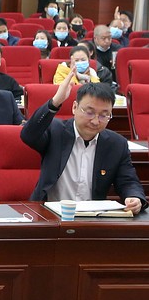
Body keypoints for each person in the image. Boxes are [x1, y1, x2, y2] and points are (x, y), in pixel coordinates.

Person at [21, 75, 145, 213]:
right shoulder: (55, 131)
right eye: (89, 113)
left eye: (104, 115)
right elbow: (28, 134)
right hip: (49, 214)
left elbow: (128, 181)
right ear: (75, 107)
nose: (95, 121)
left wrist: (134, 197)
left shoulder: (116, 144)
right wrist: (55, 102)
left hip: (93, 218)